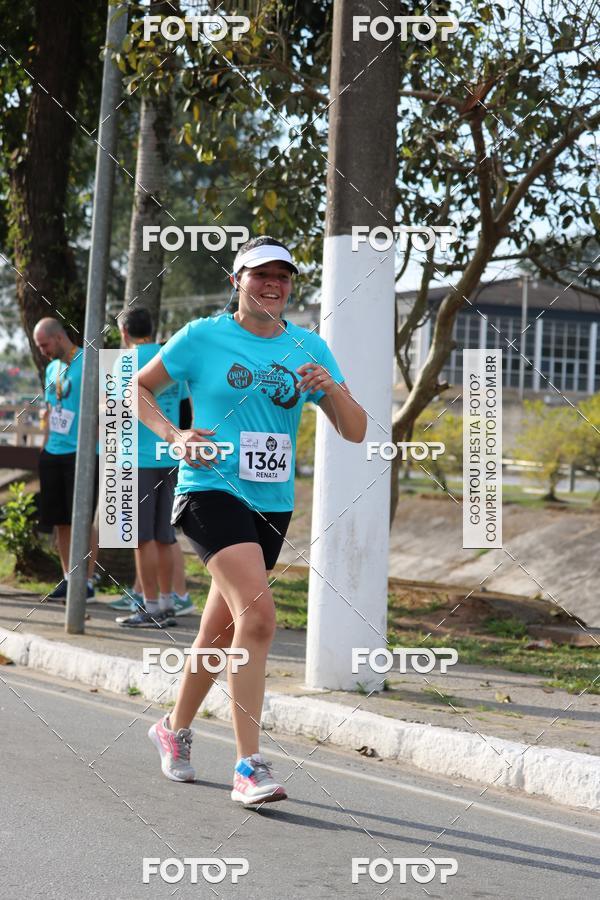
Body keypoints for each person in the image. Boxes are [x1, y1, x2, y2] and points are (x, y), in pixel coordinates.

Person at [135, 236, 366, 806]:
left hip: (272, 504)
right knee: (259, 619)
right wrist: (174, 435)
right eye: (261, 274)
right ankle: (249, 765)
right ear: (237, 280)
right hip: (209, 492)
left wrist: (330, 390)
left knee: (219, 633)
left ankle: (173, 729)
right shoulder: (202, 337)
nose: (273, 285)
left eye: (283, 276)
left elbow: (356, 430)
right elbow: (138, 388)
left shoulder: (309, 346)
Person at [109, 308, 194, 628]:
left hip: (137, 458)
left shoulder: (124, 362)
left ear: (124, 332)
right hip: (170, 455)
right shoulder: (169, 356)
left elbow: (118, 412)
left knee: (141, 538)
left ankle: (150, 606)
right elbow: (185, 411)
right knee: (165, 536)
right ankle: (169, 603)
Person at [34, 318, 98, 601]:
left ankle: (87, 580)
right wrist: (44, 445)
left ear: (59, 337)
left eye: (44, 345)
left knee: (82, 519)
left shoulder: (90, 363)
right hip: (54, 453)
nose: (42, 351)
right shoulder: (51, 368)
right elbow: (51, 409)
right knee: (60, 521)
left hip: (82, 453)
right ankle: (69, 577)